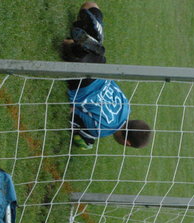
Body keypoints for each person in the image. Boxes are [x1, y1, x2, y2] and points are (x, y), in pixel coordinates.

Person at [61, 2, 152, 150]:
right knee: (66, 46)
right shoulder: (101, 130)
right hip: (82, 83)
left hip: (100, 67)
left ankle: (94, 38)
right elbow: (71, 112)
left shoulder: (126, 106)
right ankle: (82, 47)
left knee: (90, 5)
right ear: (127, 143)